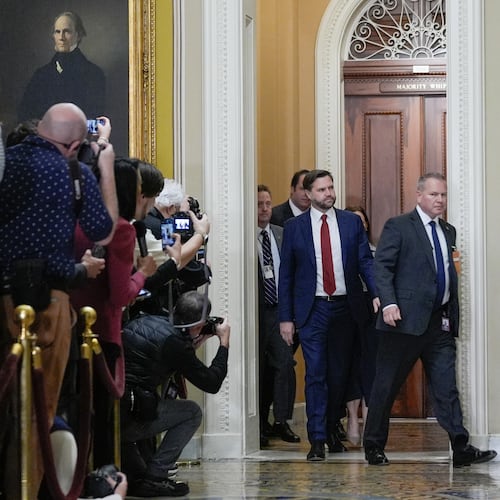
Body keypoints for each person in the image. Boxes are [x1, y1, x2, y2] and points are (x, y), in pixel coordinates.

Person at [0, 102, 117, 498]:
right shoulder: (73, 171)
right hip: (46, 301)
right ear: (74, 144)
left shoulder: (6, 161)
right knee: (38, 411)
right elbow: (103, 230)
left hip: (2, 295)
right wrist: (103, 167)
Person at [363, 173, 497, 467]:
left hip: (439, 323)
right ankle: (373, 446)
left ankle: (460, 448)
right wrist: (388, 302)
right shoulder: (399, 226)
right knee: (386, 385)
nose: (440, 200)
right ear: (419, 195)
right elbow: (381, 268)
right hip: (402, 322)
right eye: (434, 195)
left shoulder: (448, 231)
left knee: (446, 386)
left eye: (444, 195)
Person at [70, 157, 167, 467]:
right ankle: (104, 476)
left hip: (75, 326)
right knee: (104, 419)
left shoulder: (81, 219)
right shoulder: (121, 229)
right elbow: (121, 294)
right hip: (104, 334)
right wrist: (143, 273)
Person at [278, 169, 379, 461]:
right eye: (321, 190)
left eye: (331, 188)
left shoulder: (350, 224)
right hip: (313, 310)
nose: (329, 194)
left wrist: (376, 294)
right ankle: (318, 439)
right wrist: (286, 318)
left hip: (347, 308)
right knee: (316, 373)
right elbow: (287, 276)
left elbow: (365, 263)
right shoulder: (294, 228)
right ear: (308, 194)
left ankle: (331, 426)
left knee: (339, 374)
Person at [120, 291, 230, 497]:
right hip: (132, 419)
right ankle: (157, 475)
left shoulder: (148, 319)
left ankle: (144, 471)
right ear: (199, 324)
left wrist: (192, 344)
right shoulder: (176, 344)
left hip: (113, 415)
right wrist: (224, 343)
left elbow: (160, 358)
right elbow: (212, 382)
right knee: (192, 412)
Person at [257, 185, 300, 447]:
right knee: (259, 370)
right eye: (259, 204)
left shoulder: (280, 234)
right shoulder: (245, 236)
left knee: (284, 365)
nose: (264, 208)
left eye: (268, 203)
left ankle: (281, 421)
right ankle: (259, 424)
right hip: (256, 312)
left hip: (280, 310)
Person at [18, 11, 105, 121]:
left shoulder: (94, 74)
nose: (61, 37)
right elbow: (25, 115)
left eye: (67, 32)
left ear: (79, 35)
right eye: (57, 32)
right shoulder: (40, 75)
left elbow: (94, 117)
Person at [343, 206, 378, 445]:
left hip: (372, 311)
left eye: (361, 221)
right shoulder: (340, 251)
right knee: (349, 363)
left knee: (370, 364)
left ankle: (370, 419)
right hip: (345, 309)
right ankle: (352, 419)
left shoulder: (377, 251)